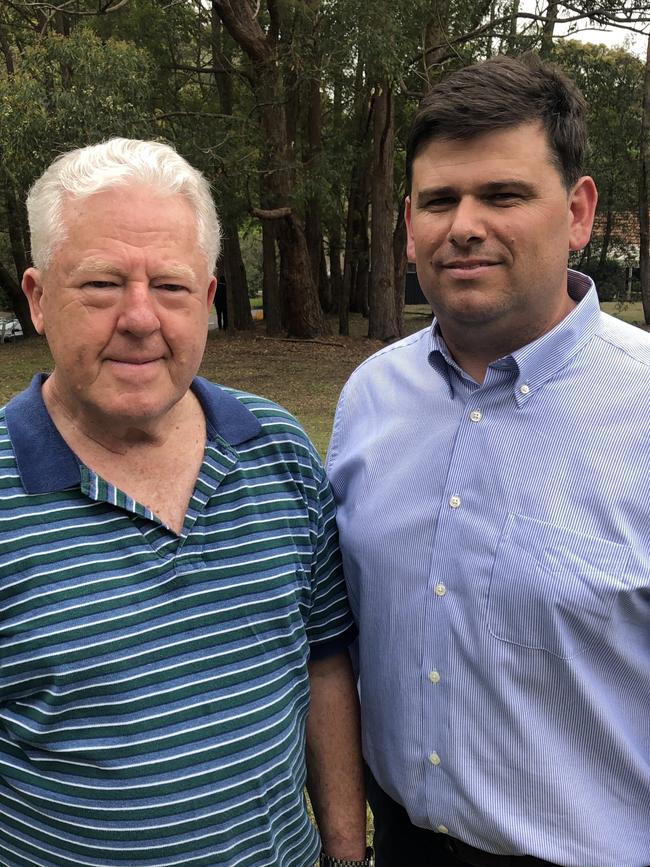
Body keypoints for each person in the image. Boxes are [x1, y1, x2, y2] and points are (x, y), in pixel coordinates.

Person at [0, 138, 372, 867]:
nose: (140, 318)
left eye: (169, 287)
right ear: (39, 298)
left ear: (205, 300)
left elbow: (325, 664)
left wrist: (345, 852)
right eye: (102, 284)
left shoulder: (279, 450)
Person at [327, 54, 650, 867]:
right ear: (409, 222)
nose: (464, 224)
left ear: (577, 212)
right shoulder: (370, 399)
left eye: (503, 195)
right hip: (398, 842)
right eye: (440, 200)